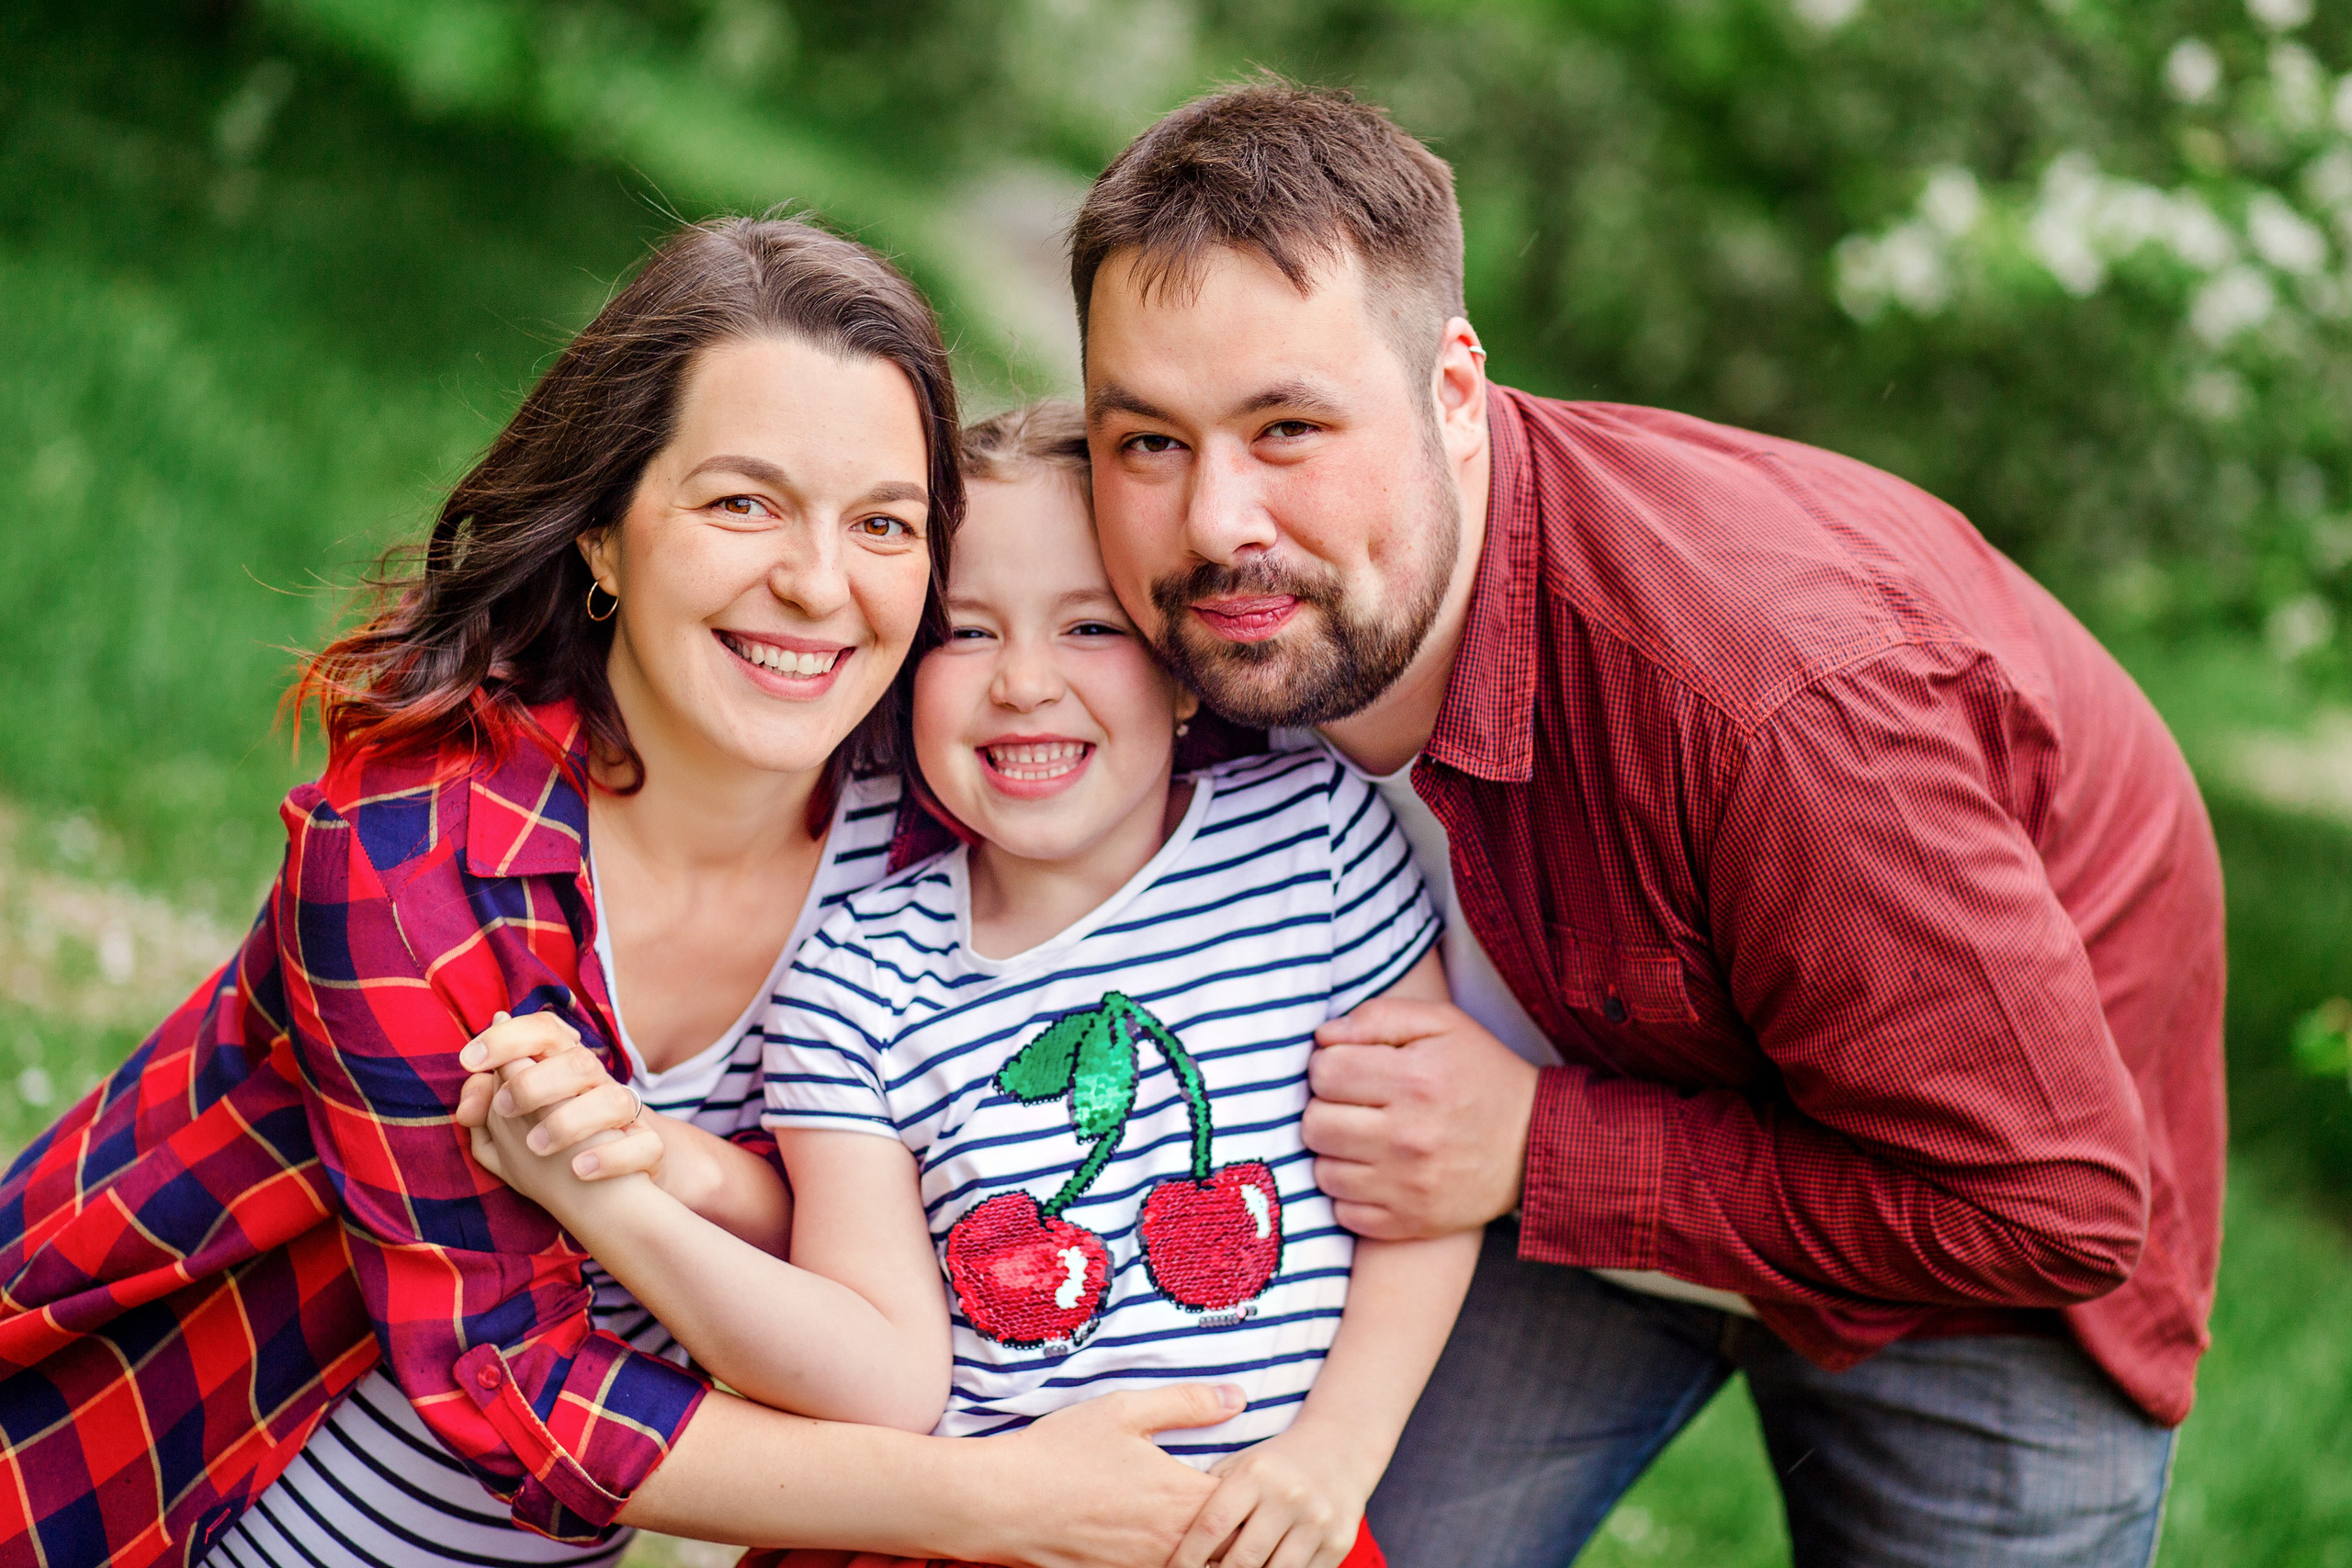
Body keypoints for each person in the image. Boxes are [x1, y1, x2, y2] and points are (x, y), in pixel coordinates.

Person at [1068, 79, 2227, 1568]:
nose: (1217, 521)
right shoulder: (1164, 618)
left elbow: (2048, 1205)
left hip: (1958, 1233)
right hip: (1524, 1158)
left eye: (1287, 426)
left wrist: (1535, 1145)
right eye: (1147, 441)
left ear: (1454, 393)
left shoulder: (1779, 703)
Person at [0, 218, 1238, 1568]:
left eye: (882, 523)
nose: (816, 584)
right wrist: (998, 1501)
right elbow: (514, 1386)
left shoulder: (932, 825)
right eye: (742, 503)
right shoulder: (415, 862)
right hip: (216, 1504)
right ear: (602, 533)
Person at [458, 400, 1480, 1568]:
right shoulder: (856, 976)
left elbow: (1427, 1176)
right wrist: (612, 1197)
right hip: (949, 1538)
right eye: (965, 633)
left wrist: (1339, 1453)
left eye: (1091, 627)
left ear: (1185, 668)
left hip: (1265, 1530)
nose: (1025, 683)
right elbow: (881, 1374)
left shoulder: (1313, 842)